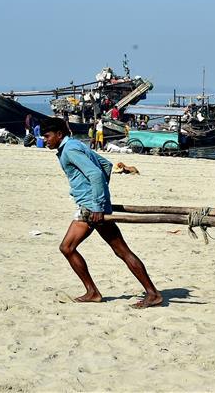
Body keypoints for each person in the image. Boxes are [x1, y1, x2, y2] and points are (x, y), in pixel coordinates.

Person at [40, 117, 163, 308]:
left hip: (91, 208)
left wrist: (97, 204)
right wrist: (102, 196)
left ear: (59, 134)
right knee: (119, 250)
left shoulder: (70, 150)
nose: (45, 140)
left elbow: (96, 173)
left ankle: (99, 292)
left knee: (69, 248)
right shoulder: (74, 145)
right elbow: (106, 165)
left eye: (47, 136)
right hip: (92, 204)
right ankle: (145, 292)